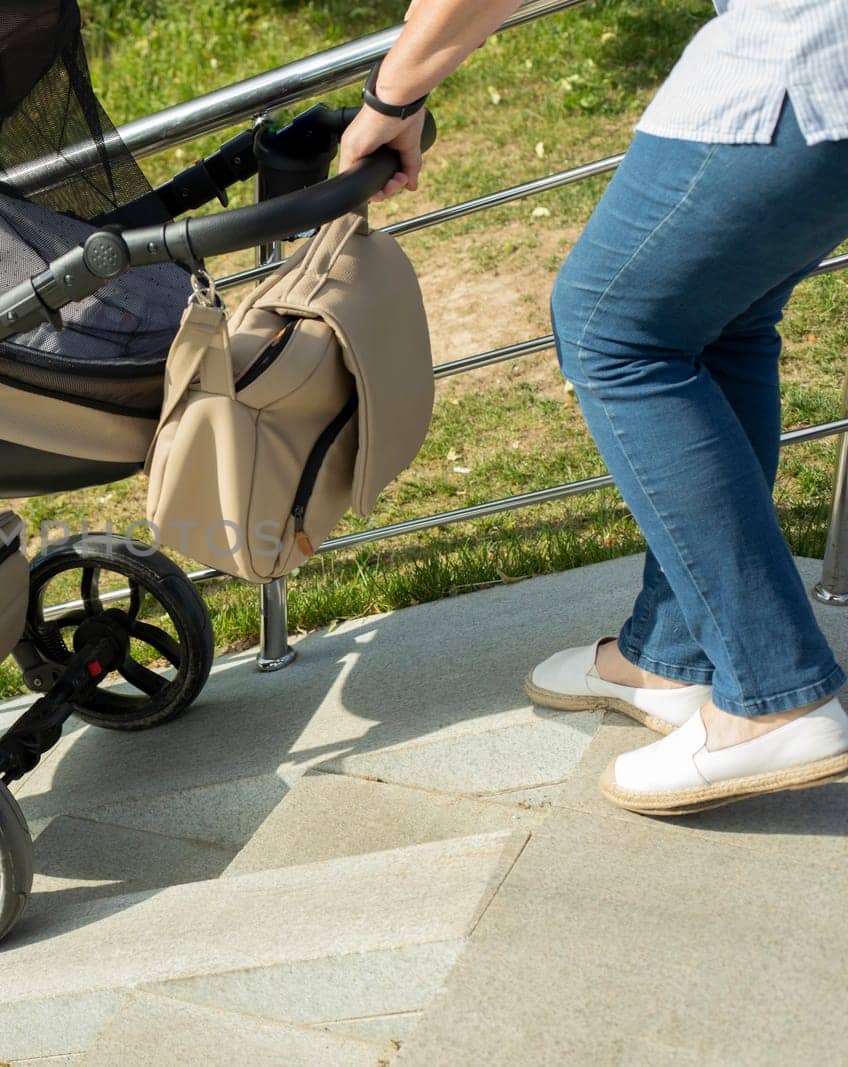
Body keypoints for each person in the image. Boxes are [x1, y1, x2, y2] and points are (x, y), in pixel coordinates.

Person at [339, 0, 848, 814]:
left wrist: (392, 98)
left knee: (613, 330)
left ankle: (774, 691)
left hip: (805, 67)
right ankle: (675, 656)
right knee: (721, 322)